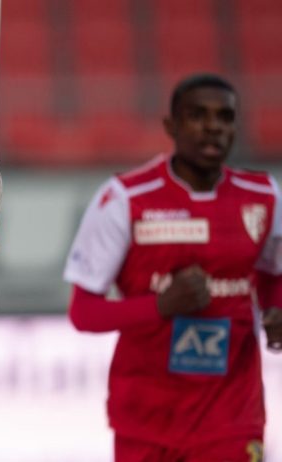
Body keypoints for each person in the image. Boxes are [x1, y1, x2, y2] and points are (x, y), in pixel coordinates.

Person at [64, 73, 282, 461]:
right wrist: (161, 305)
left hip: (232, 416)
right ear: (171, 126)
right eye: (197, 115)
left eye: (225, 117)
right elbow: (84, 312)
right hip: (146, 418)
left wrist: (274, 309)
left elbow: (272, 274)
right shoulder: (125, 198)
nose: (213, 127)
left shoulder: (263, 196)